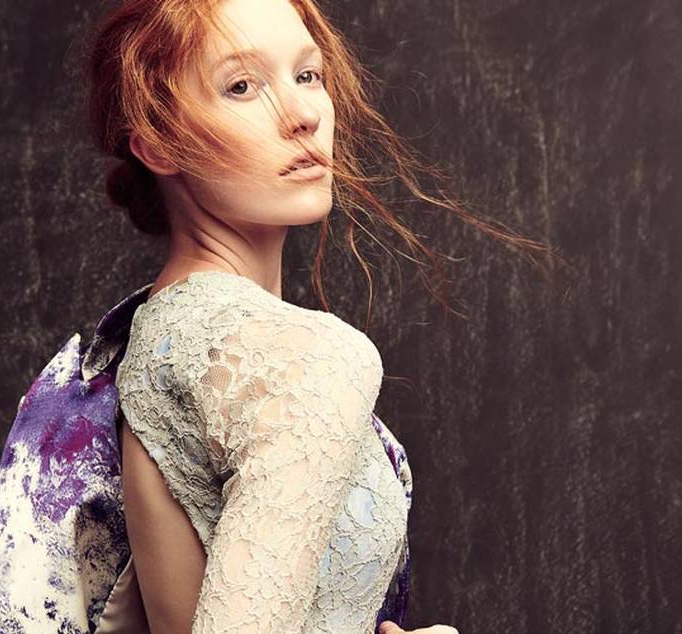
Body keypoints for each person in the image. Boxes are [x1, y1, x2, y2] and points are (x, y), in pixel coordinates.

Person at [81, 0, 551, 632]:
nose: (304, 114)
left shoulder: (150, 340)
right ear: (160, 145)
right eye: (241, 86)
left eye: (307, 74)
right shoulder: (305, 357)